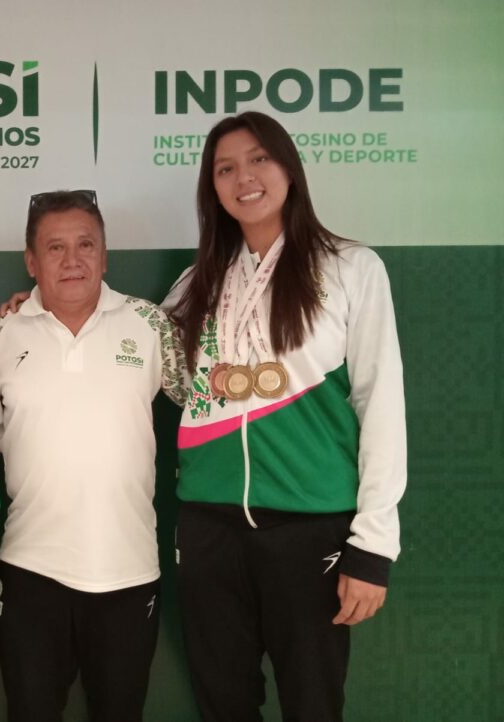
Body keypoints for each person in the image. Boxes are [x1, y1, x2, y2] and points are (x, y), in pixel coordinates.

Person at [165, 111, 406, 721]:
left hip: (310, 528)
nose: (244, 177)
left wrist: (373, 545)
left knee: (313, 705)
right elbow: (132, 349)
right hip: (209, 526)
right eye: (225, 169)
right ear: (212, 188)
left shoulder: (351, 268)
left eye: (259, 159)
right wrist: (33, 307)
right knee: (223, 704)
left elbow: (381, 405)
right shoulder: (197, 284)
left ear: (289, 169)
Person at [0, 190, 186, 722]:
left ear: (105, 254)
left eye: (86, 245)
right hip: (28, 569)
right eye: (55, 247)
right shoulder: (0, 334)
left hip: (128, 572)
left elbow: (206, 401)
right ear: (31, 261)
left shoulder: (150, 324)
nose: (72, 260)